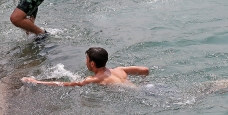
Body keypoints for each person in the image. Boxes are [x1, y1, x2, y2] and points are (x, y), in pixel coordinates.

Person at [21, 47, 149, 86]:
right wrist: (145, 82)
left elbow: (65, 84)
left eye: (86, 59)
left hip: (138, 97)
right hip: (148, 89)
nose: (85, 61)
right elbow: (145, 70)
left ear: (92, 63)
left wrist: (36, 81)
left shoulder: (94, 79)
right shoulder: (119, 70)